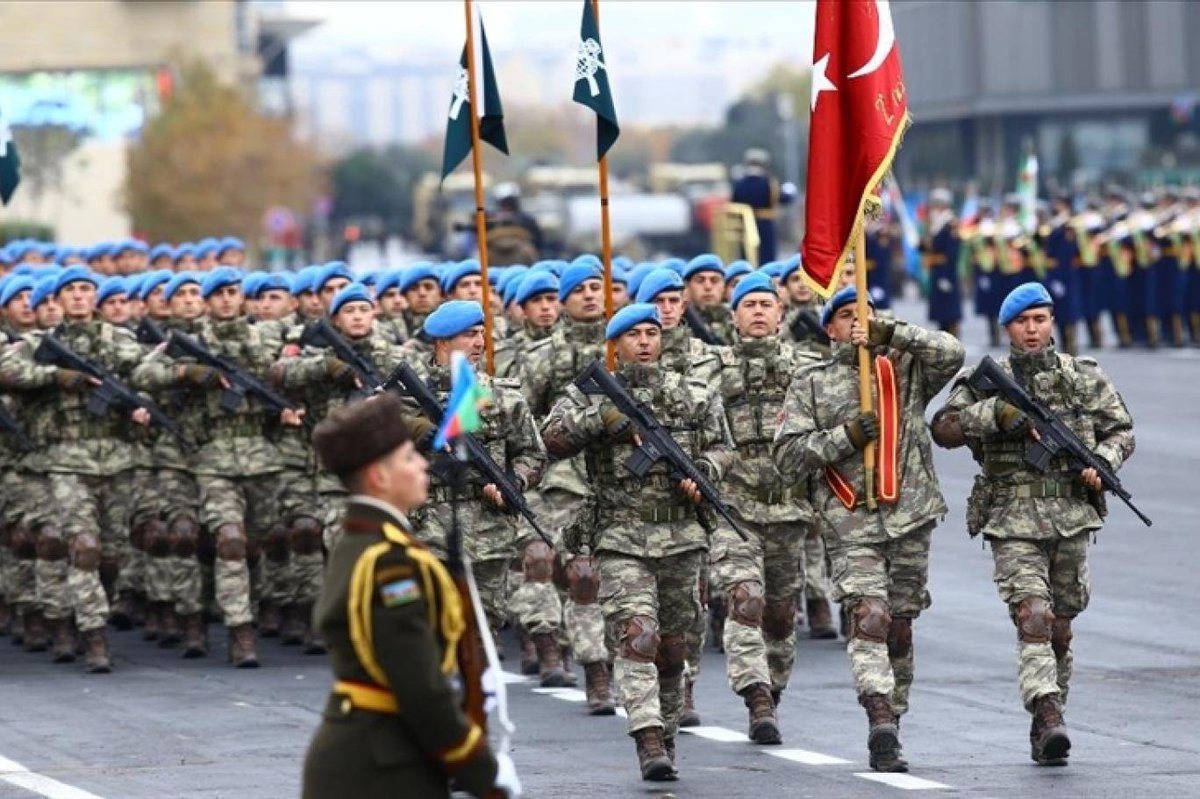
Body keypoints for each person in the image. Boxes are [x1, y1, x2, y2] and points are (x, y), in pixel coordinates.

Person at [930, 282, 1135, 766]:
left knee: (1060, 627)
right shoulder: (987, 379)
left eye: (1040, 319)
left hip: (1070, 518)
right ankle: (1046, 714)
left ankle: (1049, 714)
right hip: (1011, 520)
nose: (1032, 329)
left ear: (1052, 323)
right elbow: (943, 429)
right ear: (1007, 328)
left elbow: (1121, 430)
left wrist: (1102, 462)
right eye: (1023, 321)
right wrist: (996, 414)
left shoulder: (1083, 376)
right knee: (1034, 617)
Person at [771, 285, 964, 772]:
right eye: (846, 316)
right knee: (870, 617)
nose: (857, 323)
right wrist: (846, 437)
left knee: (899, 627)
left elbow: (953, 352)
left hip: (910, 515)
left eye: (867, 314)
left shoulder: (904, 367)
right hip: (850, 518)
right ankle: (878, 717)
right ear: (829, 328)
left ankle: (893, 718)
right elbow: (787, 457)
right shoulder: (810, 383)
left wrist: (890, 332)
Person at [541, 303, 734, 781]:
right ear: (615, 346)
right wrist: (602, 418)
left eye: (652, 332)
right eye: (634, 335)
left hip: (682, 537)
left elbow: (722, 446)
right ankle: (646, 737)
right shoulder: (587, 394)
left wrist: (705, 472)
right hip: (619, 537)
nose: (645, 341)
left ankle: (664, 731)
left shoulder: (690, 392)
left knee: (673, 647)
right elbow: (552, 439)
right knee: (637, 636)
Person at [301, 394, 521, 799]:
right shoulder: (389, 563)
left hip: (384, 757)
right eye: (408, 458)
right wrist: (482, 772)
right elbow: (421, 689)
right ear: (379, 477)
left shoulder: (377, 545)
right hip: (377, 770)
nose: (423, 465)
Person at [693, 273, 820, 744]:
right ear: (734, 316)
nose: (759, 312)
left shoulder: (806, 369)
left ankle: (774, 689)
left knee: (782, 615)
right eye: (750, 305)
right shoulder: (712, 369)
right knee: (745, 600)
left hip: (789, 511)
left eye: (768, 304)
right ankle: (757, 696)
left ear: (781, 314)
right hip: (735, 510)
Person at [731, 148, 783, 263]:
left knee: (747, 255)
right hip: (765, 223)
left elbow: (734, 201)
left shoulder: (740, 183)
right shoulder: (769, 182)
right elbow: (779, 198)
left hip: (745, 223)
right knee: (767, 255)